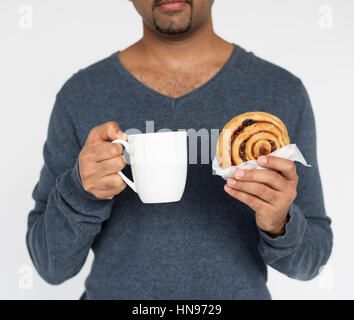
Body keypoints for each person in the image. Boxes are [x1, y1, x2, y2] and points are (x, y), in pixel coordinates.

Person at [26, 0, 333, 299]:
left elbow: (310, 263)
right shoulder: (80, 95)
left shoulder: (280, 91)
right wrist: (80, 192)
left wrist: (280, 223)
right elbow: (51, 267)